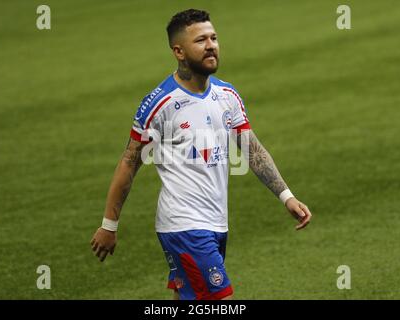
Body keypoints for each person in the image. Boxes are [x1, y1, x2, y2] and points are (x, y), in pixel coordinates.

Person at [90, 8, 312, 300]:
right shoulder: (161, 104)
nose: (211, 45)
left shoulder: (227, 95)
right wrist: (109, 225)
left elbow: (252, 150)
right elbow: (129, 164)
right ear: (179, 51)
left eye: (214, 37)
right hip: (184, 226)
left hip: (216, 223)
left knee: (192, 300)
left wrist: (287, 196)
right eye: (201, 40)